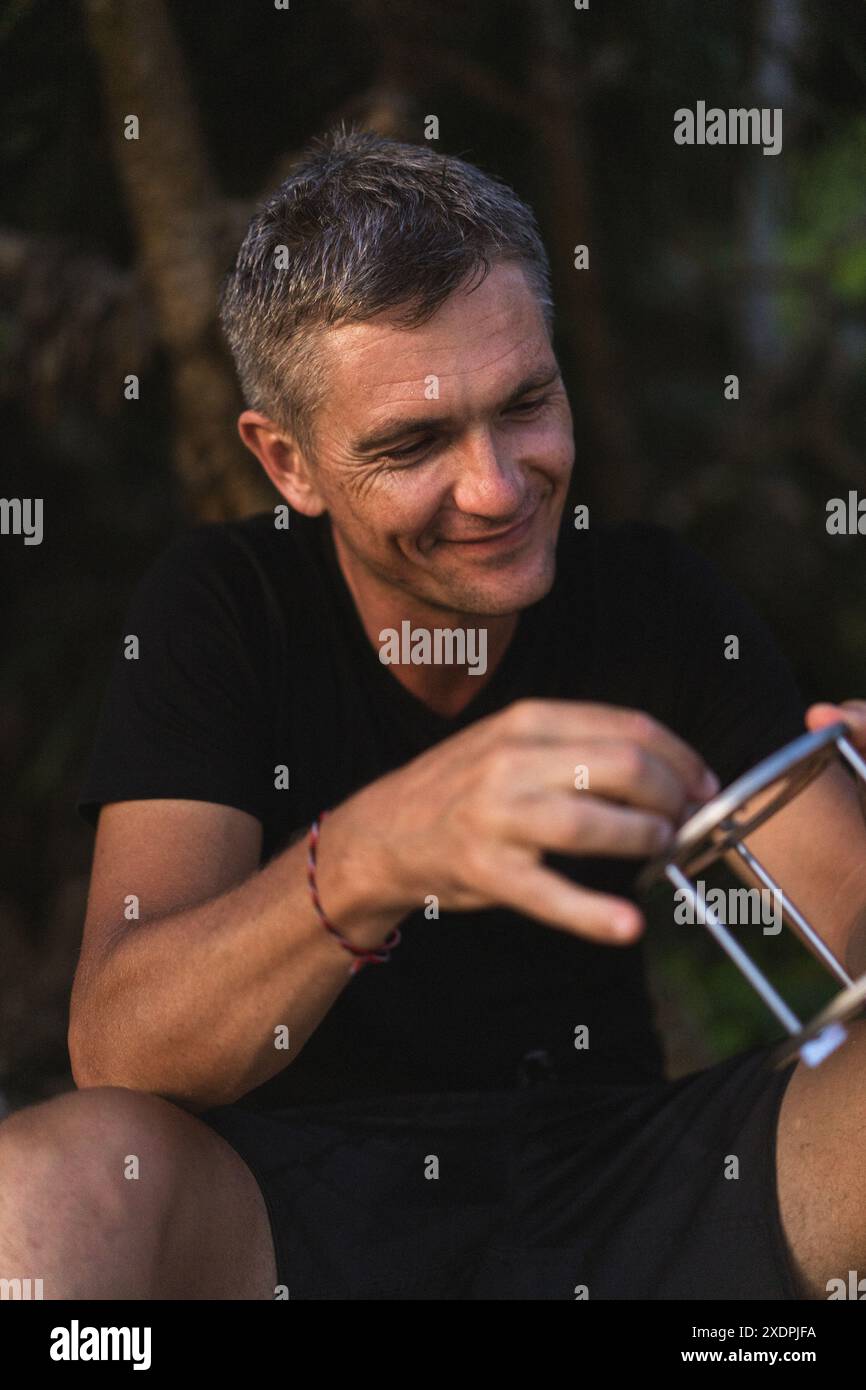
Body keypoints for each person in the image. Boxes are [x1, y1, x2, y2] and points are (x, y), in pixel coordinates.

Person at [2, 126, 866, 1300]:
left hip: (629, 1184)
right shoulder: (226, 608)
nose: (497, 487)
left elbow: (849, 913)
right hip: (288, 1218)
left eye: (525, 403)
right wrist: (372, 854)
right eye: (413, 442)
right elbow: (120, 1045)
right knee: (49, 1180)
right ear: (288, 463)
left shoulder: (652, 599)